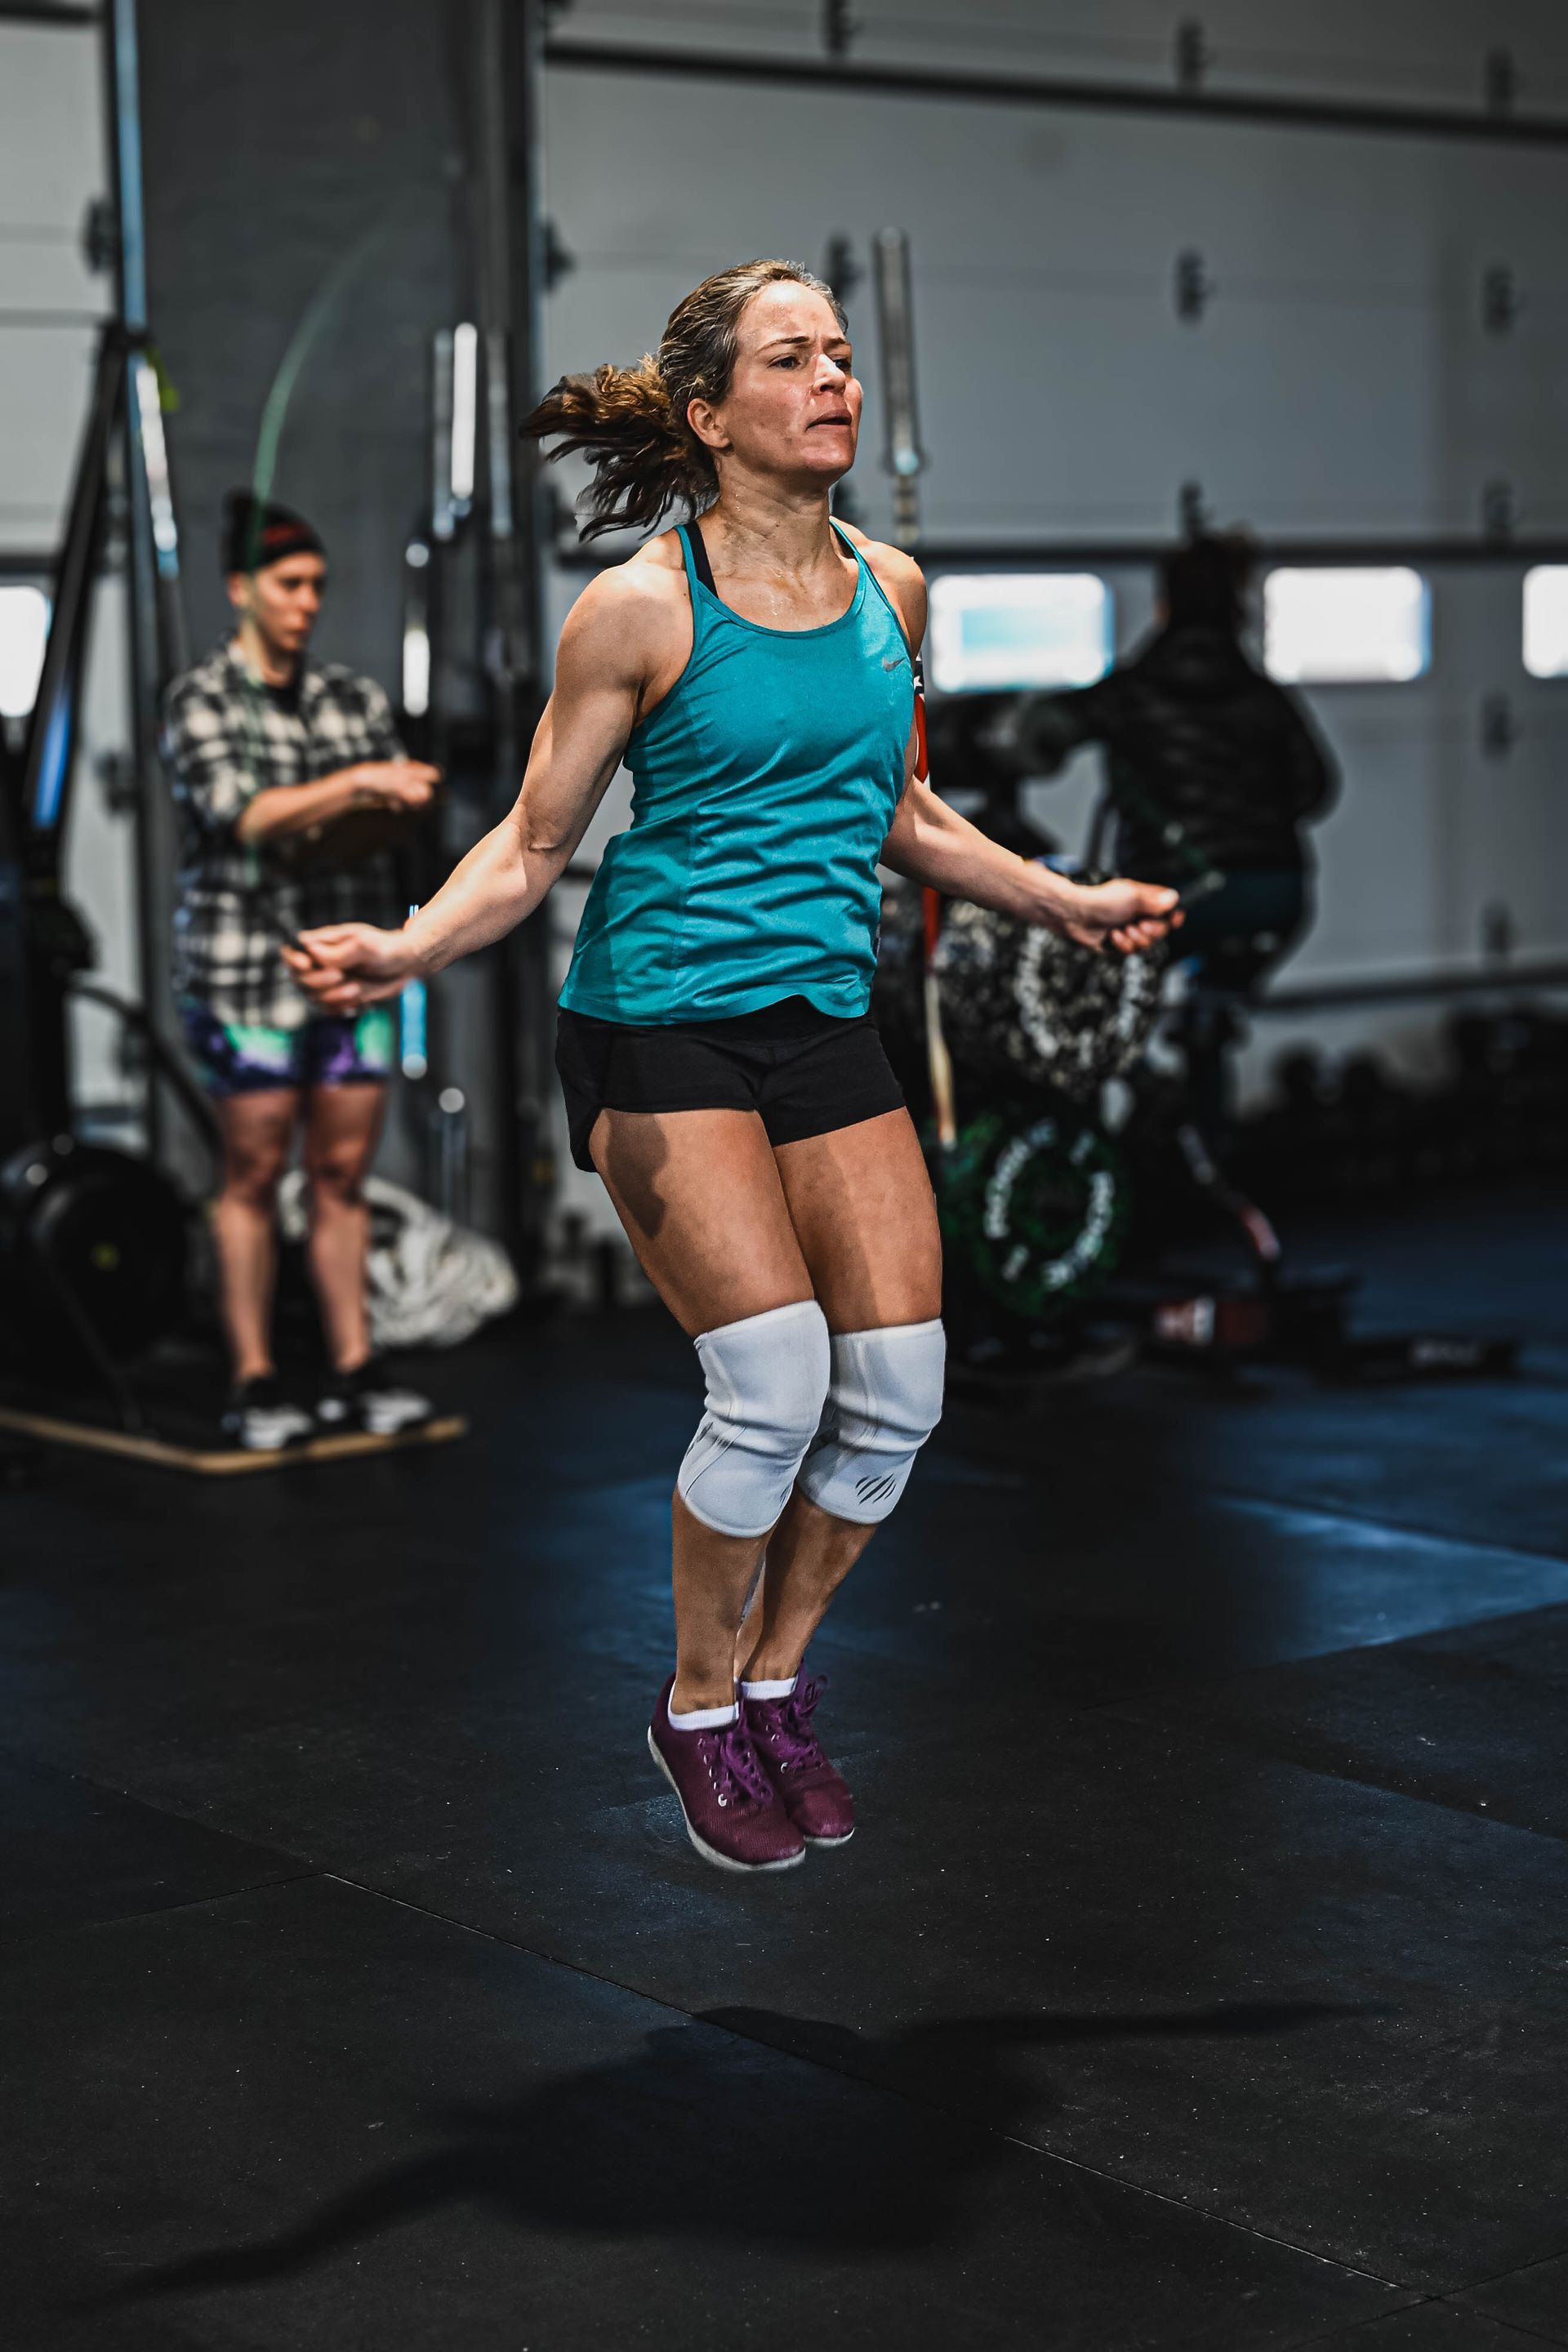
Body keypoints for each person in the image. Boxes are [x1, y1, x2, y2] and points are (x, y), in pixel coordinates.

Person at [283, 259, 1178, 1872]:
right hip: (659, 1018)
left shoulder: (892, 589)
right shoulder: (640, 604)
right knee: (770, 1387)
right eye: (793, 359)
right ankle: (697, 1708)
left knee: (897, 1395)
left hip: (823, 1019)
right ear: (712, 413)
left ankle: (777, 1681)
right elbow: (536, 839)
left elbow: (905, 815)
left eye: (842, 354)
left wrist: (1069, 901)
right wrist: (408, 945)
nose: (836, 379)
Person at [163, 491, 439, 1450]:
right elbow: (240, 816)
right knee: (251, 1171)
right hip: (245, 971)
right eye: (288, 584)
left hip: (350, 966)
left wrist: (355, 807)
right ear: (242, 589)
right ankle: (256, 1376)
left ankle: (354, 1364)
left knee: (341, 1173)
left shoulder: (352, 698)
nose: (306, 602)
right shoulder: (201, 699)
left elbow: (397, 808)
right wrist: (357, 788)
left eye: (318, 585)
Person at [992, 532, 1339, 993]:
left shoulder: (1131, 693)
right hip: (1276, 895)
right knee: (1217, 1002)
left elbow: (1039, 735)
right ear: (1235, 609)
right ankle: (1212, 1025)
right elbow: (1316, 789)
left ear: (1164, 607)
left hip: (1177, 896)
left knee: (1108, 998)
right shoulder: (1267, 698)